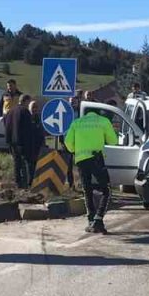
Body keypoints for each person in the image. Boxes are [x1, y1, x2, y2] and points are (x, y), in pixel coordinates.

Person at [64, 98, 119, 234]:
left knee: (87, 190)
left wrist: (76, 150)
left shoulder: (77, 123)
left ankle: (90, 220)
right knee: (106, 190)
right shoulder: (103, 121)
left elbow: (68, 143)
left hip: (81, 160)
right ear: (98, 112)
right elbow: (114, 141)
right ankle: (98, 219)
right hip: (96, 159)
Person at [4, 94, 42, 189]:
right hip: (23, 142)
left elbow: (7, 126)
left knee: (17, 163)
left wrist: (8, 140)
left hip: (12, 142)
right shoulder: (24, 111)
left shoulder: (11, 111)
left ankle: (18, 182)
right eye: (28, 102)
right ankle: (29, 183)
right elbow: (28, 129)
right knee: (28, 163)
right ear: (25, 101)